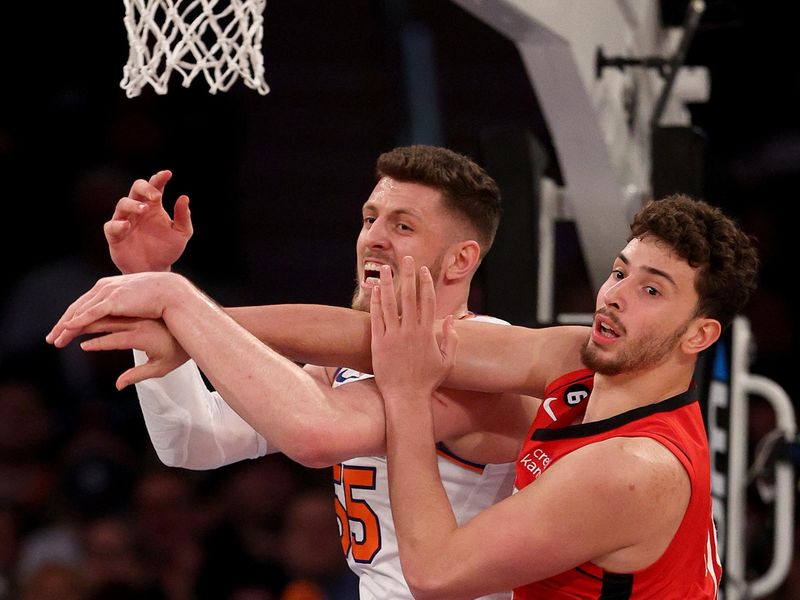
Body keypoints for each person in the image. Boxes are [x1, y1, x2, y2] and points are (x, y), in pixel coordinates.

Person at [48, 145, 571, 599]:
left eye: (403, 225)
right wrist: (151, 280)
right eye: (370, 219)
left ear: (460, 261)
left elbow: (315, 431)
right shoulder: (343, 365)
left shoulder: (487, 357)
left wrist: (176, 307)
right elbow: (192, 439)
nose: (374, 238)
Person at [367, 195, 759, 598]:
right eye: (620, 272)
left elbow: (434, 574)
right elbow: (406, 341)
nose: (614, 296)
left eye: (652, 291)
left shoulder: (632, 469)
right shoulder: (580, 360)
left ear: (699, 335)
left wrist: (407, 396)